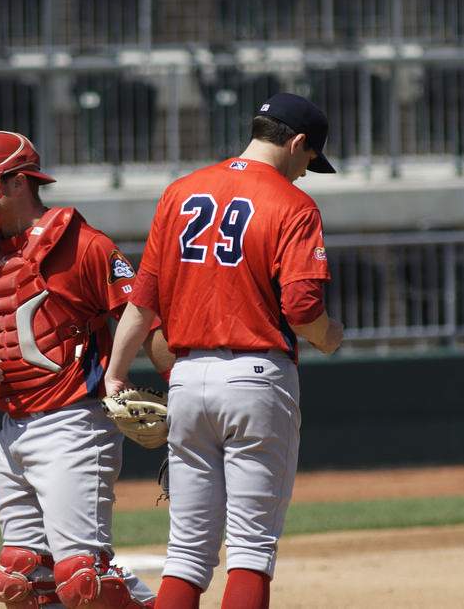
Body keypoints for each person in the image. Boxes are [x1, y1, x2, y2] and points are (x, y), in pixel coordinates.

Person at [103, 94, 345, 609]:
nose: (305, 173)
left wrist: (115, 373)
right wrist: (330, 336)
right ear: (297, 142)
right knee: (252, 549)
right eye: (308, 160)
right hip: (258, 379)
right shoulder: (293, 204)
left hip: (187, 379)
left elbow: (143, 301)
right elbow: (302, 309)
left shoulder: (180, 192)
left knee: (187, 554)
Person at [0, 130, 173, 609]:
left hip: (75, 423)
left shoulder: (82, 245)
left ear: (17, 184)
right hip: (14, 427)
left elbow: (142, 318)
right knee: (19, 579)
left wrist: (184, 388)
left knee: (82, 579)